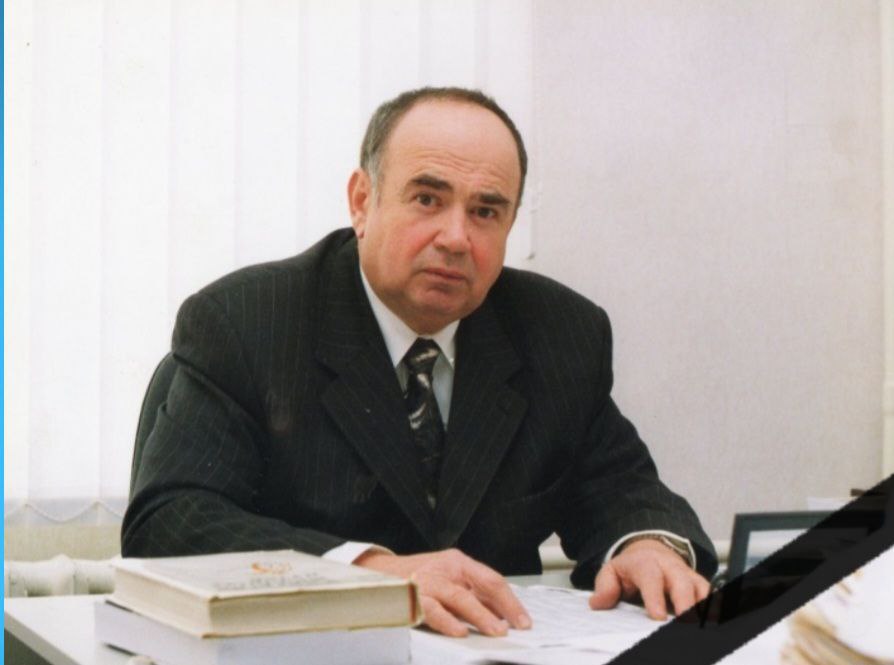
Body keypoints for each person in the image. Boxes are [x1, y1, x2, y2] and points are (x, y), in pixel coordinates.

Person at [123, 87, 717, 638]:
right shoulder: (249, 321)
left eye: (486, 212)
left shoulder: (558, 333)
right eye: (428, 199)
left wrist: (645, 546)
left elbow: (620, 487)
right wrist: (372, 574)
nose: (456, 238)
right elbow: (171, 521)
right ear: (363, 202)